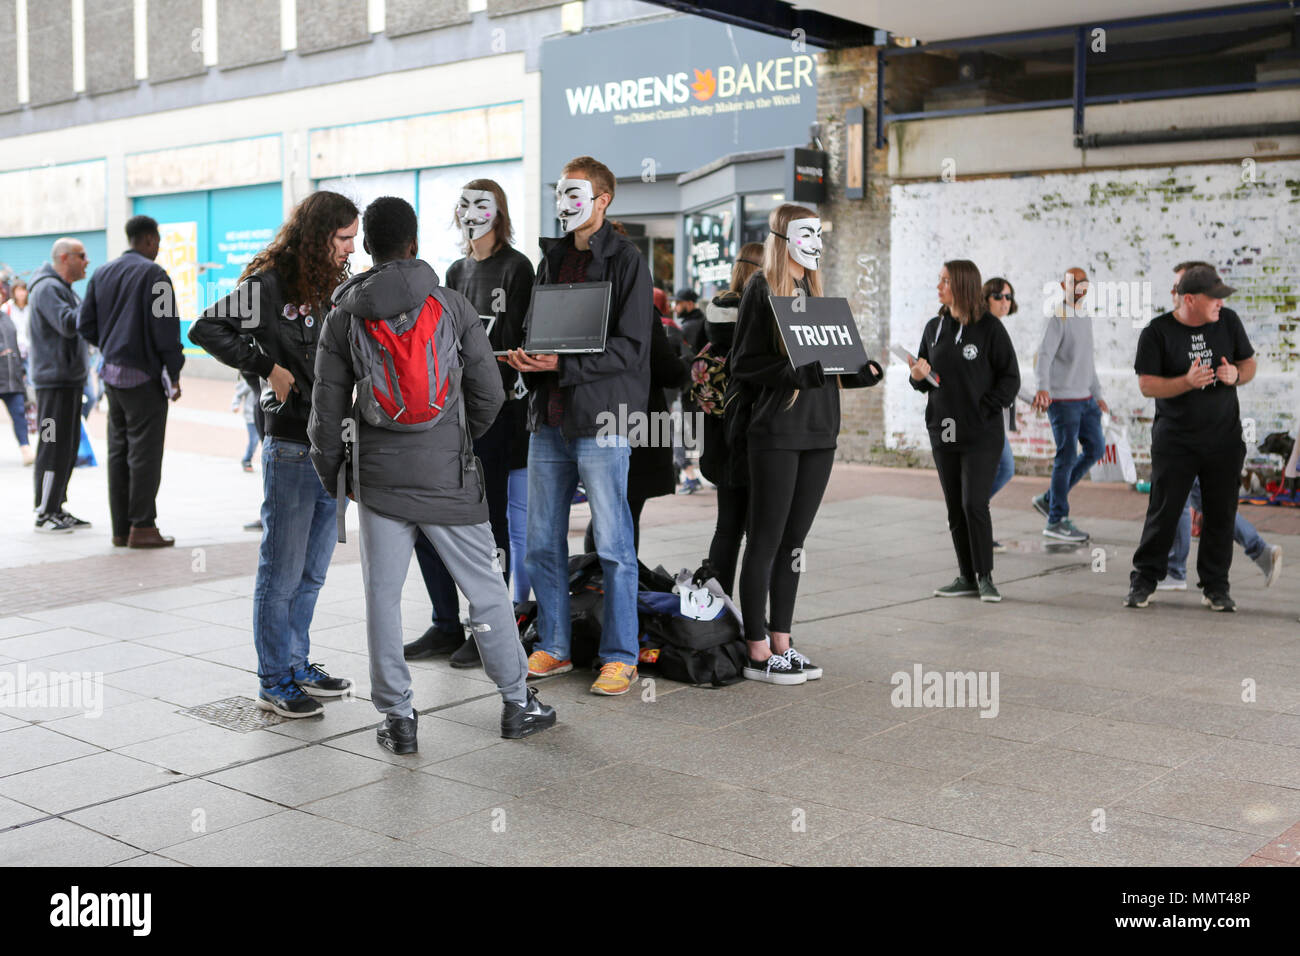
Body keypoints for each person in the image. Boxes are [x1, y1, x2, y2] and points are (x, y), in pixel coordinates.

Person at [309, 196, 555, 753]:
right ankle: (517, 703)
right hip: (450, 475)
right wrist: (461, 440)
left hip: (379, 480)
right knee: (487, 591)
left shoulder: (343, 314)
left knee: (383, 598)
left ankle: (398, 719)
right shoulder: (452, 305)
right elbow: (489, 393)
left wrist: (335, 477)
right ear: (414, 244)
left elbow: (326, 414)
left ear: (367, 247)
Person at [190, 191, 359, 718]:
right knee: (281, 572)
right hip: (289, 442)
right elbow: (205, 328)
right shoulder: (268, 282)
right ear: (317, 236)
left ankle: (296, 661)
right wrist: (267, 367)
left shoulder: (334, 283)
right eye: (344, 238)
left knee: (312, 571)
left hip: (334, 444)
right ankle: (273, 678)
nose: (352, 247)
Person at [505, 155, 653, 697]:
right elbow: (541, 330)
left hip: (602, 420)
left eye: (576, 192)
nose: (564, 202)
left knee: (614, 545)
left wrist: (563, 366)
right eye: (560, 192)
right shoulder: (551, 259)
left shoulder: (628, 259)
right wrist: (528, 358)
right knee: (541, 543)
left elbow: (633, 347)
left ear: (603, 199)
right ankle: (555, 646)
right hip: (548, 419)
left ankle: (620, 655)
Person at [729, 205, 883, 684]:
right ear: (782, 237)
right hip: (777, 431)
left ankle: (782, 642)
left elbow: (829, 364)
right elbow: (744, 364)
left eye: (819, 232)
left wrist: (859, 373)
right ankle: (757, 650)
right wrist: (795, 372)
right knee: (767, 541)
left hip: (820, 432)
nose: (815, 241)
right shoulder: (761, 289)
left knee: (794, 543)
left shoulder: (814, 292)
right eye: (806, 232)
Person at [401, 179, 535, 669]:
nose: (471, 212)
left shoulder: (518, 267)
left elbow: (523, 341)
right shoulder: (455, 270)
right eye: (464, 204)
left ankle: (490, 630)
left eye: (482, 204)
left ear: (499, 212)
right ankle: (444, 622)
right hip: (450, 415)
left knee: (490, 523)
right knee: (428, 519)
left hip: (499, 415)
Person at [1126, 265, 1255, 611]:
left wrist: (1235, 375)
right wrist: (1186, 381)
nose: (1219, 304)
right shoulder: (1158, 332)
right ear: (1190, 299)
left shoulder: (1228, 322)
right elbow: (1146, 384)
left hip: (1224, 439)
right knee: (1164, 511)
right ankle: (1144, 581)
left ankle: (1216, 587)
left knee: (1220, 513)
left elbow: (1250, 364)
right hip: (1176, 440)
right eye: (1213, 298)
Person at [910, 259, 1020, 603]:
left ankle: (985, 576)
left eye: (944, 281)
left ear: (961, 285)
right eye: (939, 280)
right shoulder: (933, 327)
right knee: (955, 506)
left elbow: (1010, 378)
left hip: (982, 433)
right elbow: (924, 380)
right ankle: (966, 576)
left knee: (975, 503)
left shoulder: (990, 329)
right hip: (942, 429)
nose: (939, 287)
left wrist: (985, 406)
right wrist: (917, 376)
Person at [77, 215, 184, 549]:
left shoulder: (101, 272)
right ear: (150, 240)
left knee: (118, 451)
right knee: (145, 453)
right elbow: (167, 329)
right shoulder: (156, 275)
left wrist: (110, 345)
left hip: (111, 375)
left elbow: (85, 324)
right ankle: (143, 526)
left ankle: (120, 529)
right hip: (143, 378)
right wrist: (174, 371)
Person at [697, 242, 763, 594]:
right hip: (754, 438)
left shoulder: (713, 312)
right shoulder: (761, 314)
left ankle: (717, 610)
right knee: (759, 534)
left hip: (719, 440)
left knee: (726, 528)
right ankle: (755, 621)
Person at [1030, 267, 1108, 543]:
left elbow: (1088, 361)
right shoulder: (1058, 316)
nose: (1078, 287)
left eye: (1082, 283)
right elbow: (1044, 356)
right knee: (1065, 456)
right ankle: (1056, 519)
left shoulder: (1084, 317)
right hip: (1062, 401)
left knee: (1096, 448)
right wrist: (1043, 389)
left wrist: (1097, 394)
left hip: (1085, 399)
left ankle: (1050, 498)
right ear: (1064, 287)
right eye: (1072, 283)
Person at [28, 238, 91, 532]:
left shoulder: (63, 289)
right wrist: (95, 303)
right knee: (52, 444)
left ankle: (57, 506)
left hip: (68, 381)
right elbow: (67, 324)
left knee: (67, 446)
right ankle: (45, 511)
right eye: (82, 256)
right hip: (53, 383)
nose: (87, 261)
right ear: (65, 258)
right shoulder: (48, 288)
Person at [982, 277, 1018, 552]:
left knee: (1002, 468)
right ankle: (971, 514)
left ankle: (972, 516)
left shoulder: (996, 329)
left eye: (1008, 296)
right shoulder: (985, 330)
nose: (1004, 302)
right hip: (985, 416)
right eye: (998, 296)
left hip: (994, 415)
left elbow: (1010, 375)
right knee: (1004, 467)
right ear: (985, 298)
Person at [0, 285, 33, 466]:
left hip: (12, 376)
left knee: (19, 412)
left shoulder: (7, 317)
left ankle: (26, 448)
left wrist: (21, 371)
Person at [232, 377, 259, 472]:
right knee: (254, 440)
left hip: (262, 416)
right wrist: (235, 405)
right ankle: (246, 459)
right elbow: (238, 394)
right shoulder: (250, 381)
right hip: (251, 416)